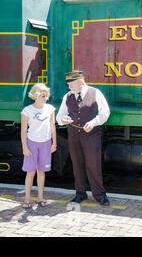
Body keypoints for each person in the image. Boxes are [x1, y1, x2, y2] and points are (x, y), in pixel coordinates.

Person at [56, 71, 111, 206]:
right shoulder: (67, 96)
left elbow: (105, 112)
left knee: (94, 165)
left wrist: (93, 123)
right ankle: (80, 194)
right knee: (77, 165)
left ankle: (100, 195)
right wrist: (63, 120)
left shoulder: (95, 93)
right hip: (74, 135)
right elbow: (59, 117)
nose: (69, 87)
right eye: (68, 84)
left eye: (71, 84)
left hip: (91, 135)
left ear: (80, 82)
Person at [20, 83, 57, 209]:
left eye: (46, 95)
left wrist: (54, 143)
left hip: (46, 143)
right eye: (43, 95)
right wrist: (25, 147)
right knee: (30, 172)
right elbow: (23, 130)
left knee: (41, 172)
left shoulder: (50, 109)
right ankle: (27, 199)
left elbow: (52, 126)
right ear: (35, 95)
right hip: (31, 143)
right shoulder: (27, 111)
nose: (45, 98)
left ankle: (40, 198)